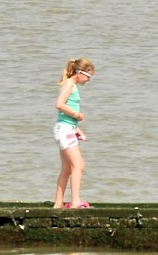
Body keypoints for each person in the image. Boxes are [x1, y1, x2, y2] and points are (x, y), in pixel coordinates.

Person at [54, 59, 95, 209]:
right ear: (79, 73)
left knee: (67, 168)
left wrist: (76, 128)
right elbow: (59, 104)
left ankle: (58, 204)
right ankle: (76, 202)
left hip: (67, 128)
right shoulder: (70, 85)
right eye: (88, 76)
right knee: (79, 165)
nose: (89, 80)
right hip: (64, 130)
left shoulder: (73, 86)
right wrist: (76, 115)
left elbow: (65, 115)